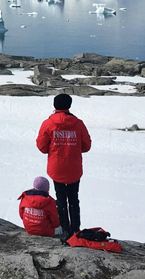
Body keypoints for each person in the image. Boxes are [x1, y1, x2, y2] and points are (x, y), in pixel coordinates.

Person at [36, 93, 91, 238]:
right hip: (74, 167)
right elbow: (86, 146)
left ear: (55, 106)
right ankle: (76, 228)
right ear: (69, 105)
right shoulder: (78, 123)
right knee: (74, 198)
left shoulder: (48, 123)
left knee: (60, 198)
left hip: (57, 167)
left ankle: (65, 228)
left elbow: (42, 147)